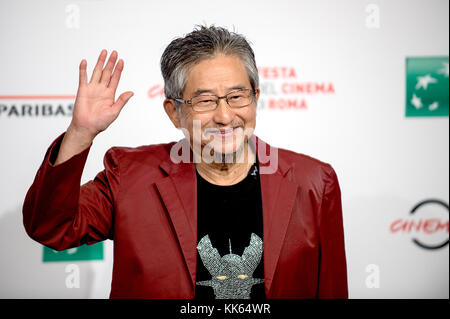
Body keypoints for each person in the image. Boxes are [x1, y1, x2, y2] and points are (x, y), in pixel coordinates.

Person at [23, 25, 348, 299]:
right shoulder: (129, 176)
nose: (224, 116)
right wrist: (80, 133)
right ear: (174, 111)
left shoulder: (314, 182)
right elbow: (53, 227)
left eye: (237, 97)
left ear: (255, 99)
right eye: (205, 101)